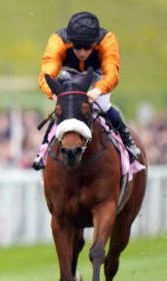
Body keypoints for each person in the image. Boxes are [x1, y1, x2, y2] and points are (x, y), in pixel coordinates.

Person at [32, 11, 140, 170]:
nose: (82, 52)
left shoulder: (107, 40)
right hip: (71, 73)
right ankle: (44, 149)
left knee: (103, 105)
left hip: (98, 74)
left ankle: (127, 140)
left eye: (87, 47)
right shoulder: (58, 41)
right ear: (70, 41)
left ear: (95, 42)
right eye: (77, 46)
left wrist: (97, 91)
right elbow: (46, 74)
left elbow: (111, 74)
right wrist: (54, 95)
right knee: (64, 109)